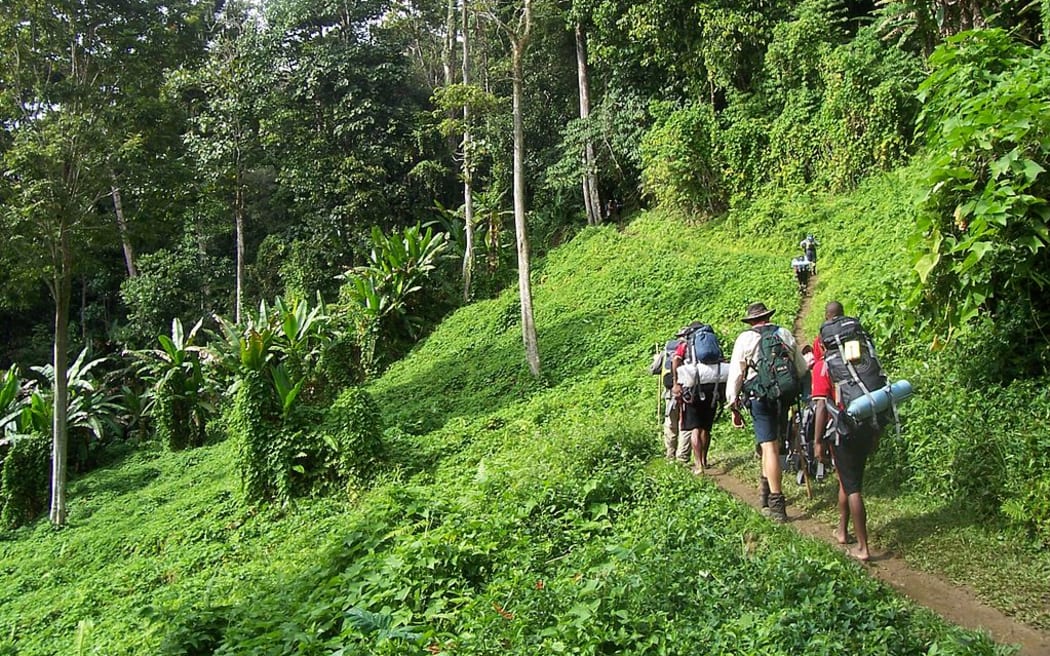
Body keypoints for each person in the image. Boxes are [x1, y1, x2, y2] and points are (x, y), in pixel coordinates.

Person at [725, 302, 808, 522]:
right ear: (768, 317)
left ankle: (776, 503)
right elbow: (801, 368)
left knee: (768, 446)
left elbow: (736, 374)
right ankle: (765, 491)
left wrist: (733, 405)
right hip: (782, 396)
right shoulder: (784, 333)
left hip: (759, 397)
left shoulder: (745, 339)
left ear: (751, 321)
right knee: (773, 445)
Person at [812, 300, 876, 561]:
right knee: (848, 479)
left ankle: (863, 547)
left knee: (853, 488)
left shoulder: (826, 365)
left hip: (843, 431)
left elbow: (820, 407)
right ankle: (842, 530)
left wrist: (817, 441)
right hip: (869, 423)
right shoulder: (861, 356)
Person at [671, 322, 720, 474]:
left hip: (692, 389)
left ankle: (698, 465)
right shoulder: (713, 342)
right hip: (713, 387)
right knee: (706, 427)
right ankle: (704, 460)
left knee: (695, 428)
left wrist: (676, 383)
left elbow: (675, 361)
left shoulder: (686, 344)